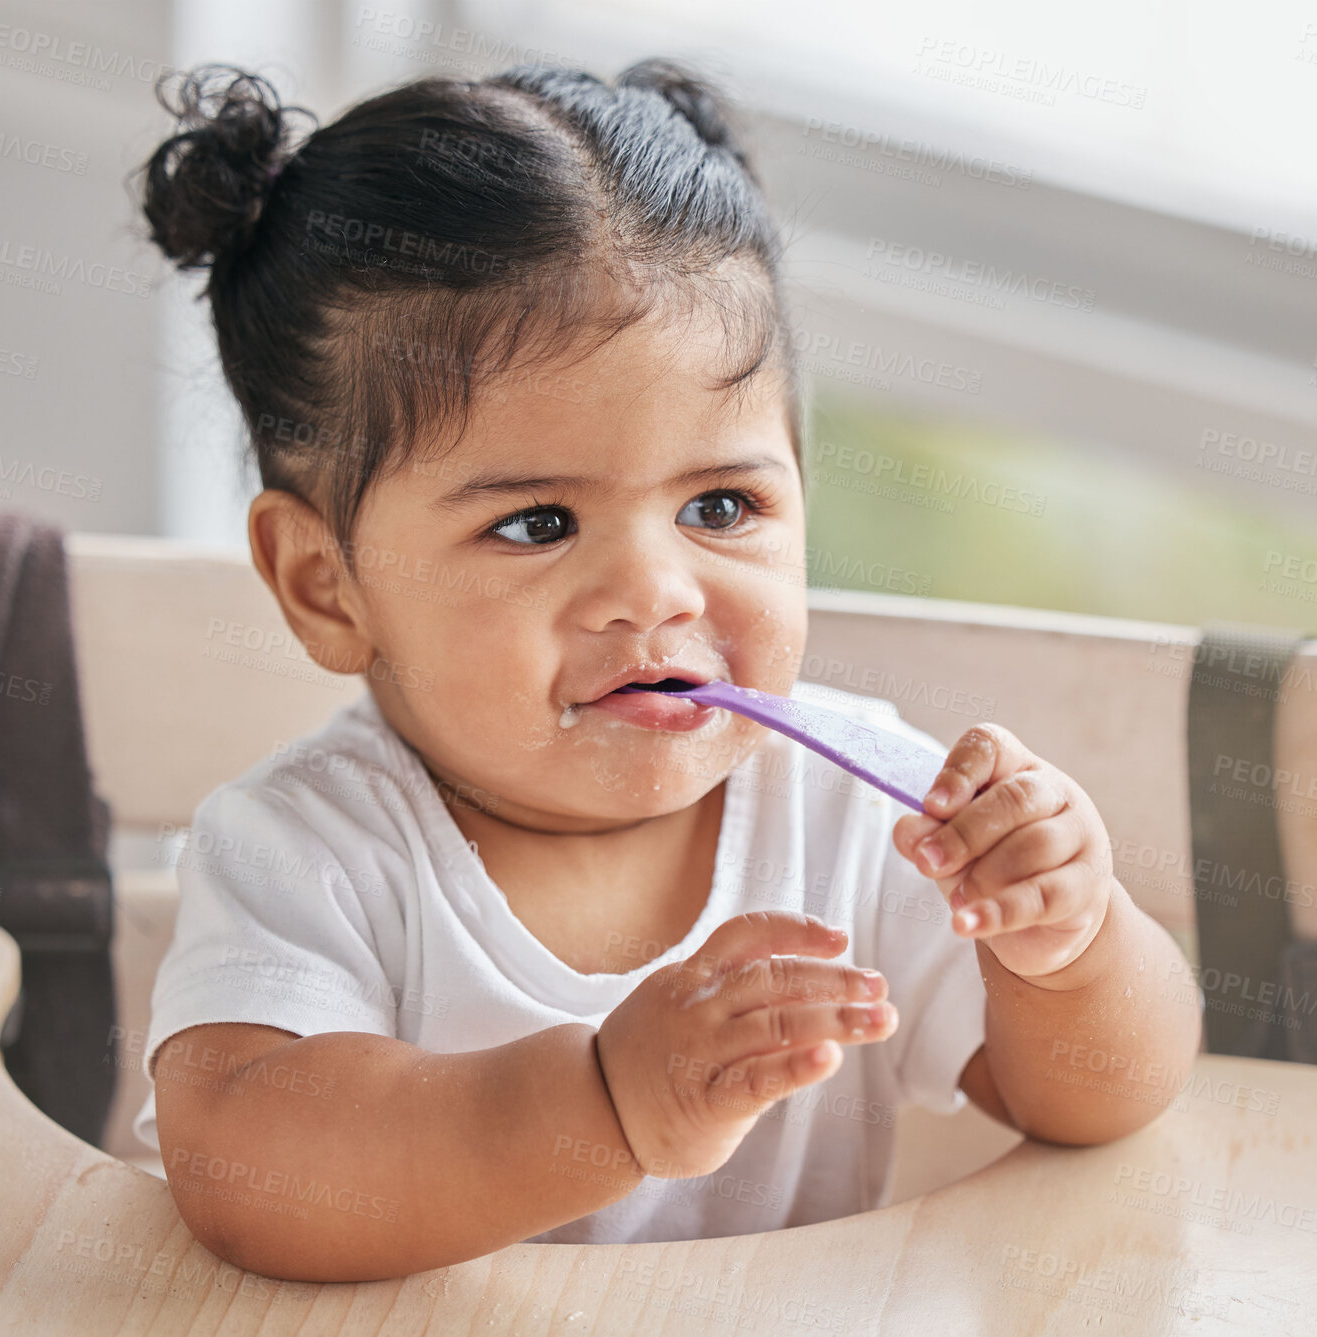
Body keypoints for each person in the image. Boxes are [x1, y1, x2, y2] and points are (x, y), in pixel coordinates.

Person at [129, 59, 1201, 1283]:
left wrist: (1068, 945)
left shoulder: (858, 806)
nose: (655, 591)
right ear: (328, 584)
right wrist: (600, 1103)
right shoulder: (304, 847)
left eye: (722, 502)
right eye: (537, 522)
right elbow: (248, 1172)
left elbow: (1097, 1101)